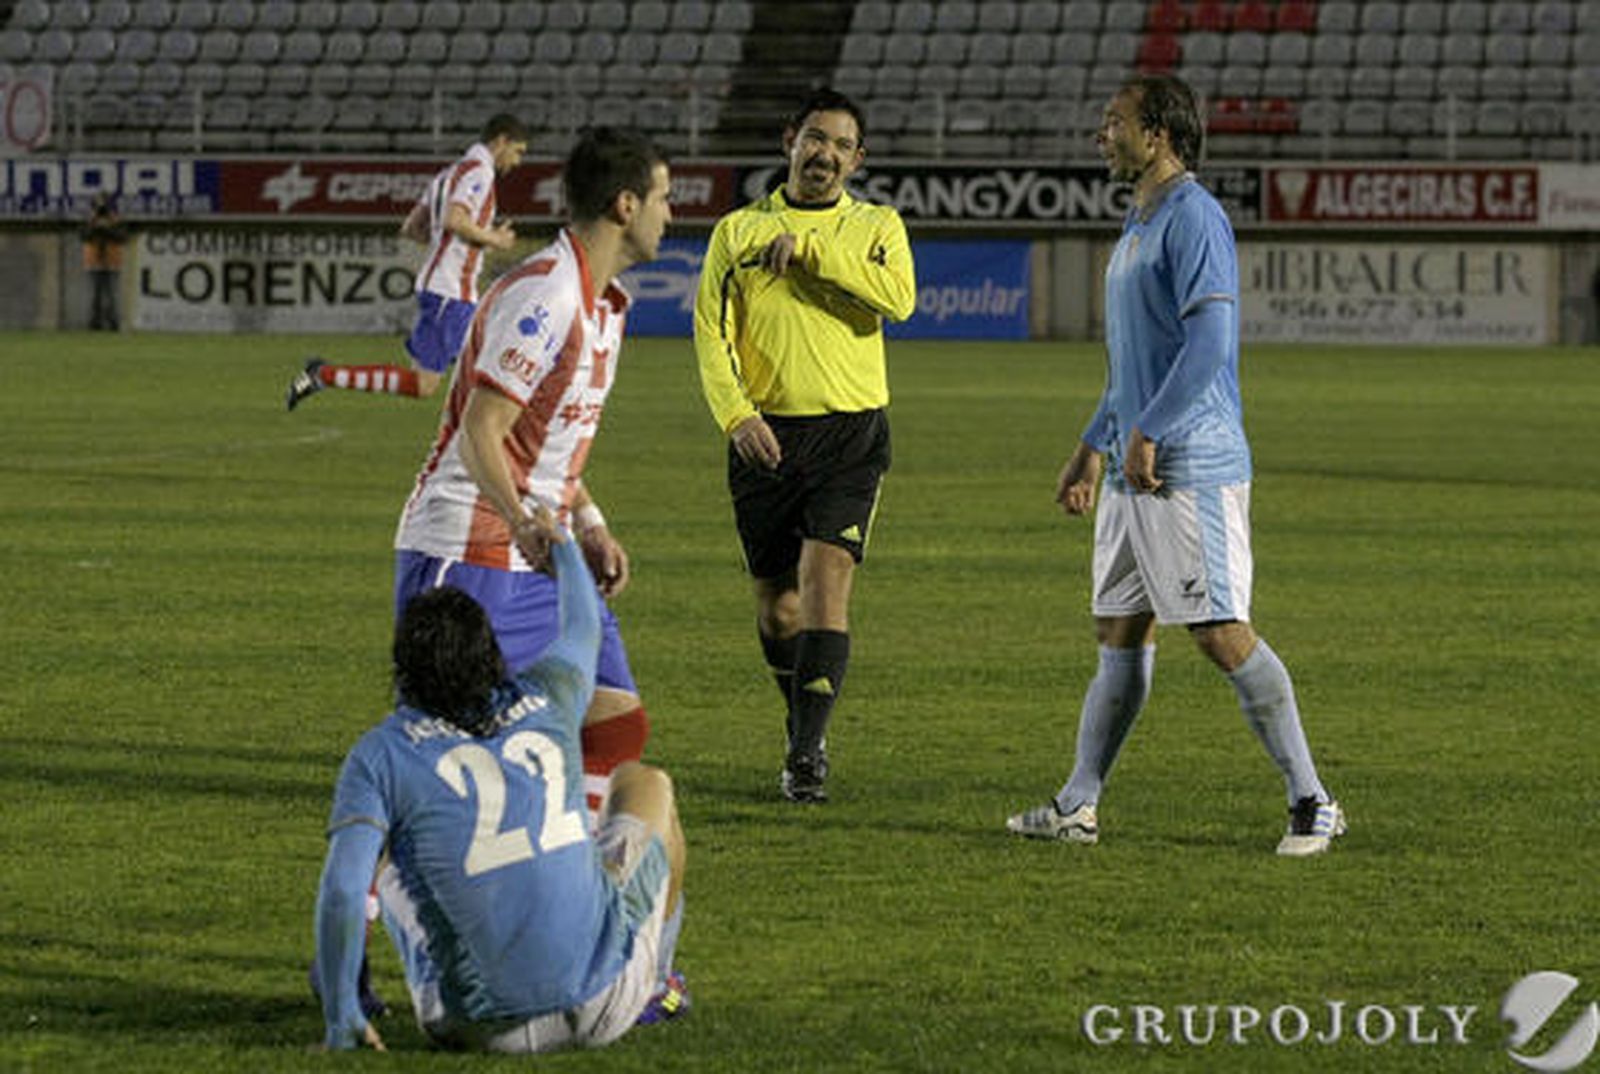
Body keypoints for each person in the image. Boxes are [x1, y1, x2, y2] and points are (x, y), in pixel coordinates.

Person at [1004, 74, 1344, 857]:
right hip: (1133, 468)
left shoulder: (1195, 218)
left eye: (1114, 121)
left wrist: (1149, 432)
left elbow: (1209, 349)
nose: (1102, 133)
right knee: (1119, 631)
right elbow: (1134, 365)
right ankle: (1078, 804)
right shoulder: (1138, 220)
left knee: (1221, 631)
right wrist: (1092, 445)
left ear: (1157, 134)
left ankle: (1312, 799)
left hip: (1188, 464)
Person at [314, 523, 689, 1052]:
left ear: (402, 670)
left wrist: (339, 1020)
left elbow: (343, 891)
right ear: (494, 652)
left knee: (384, 851)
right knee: (645, 782)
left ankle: (354, 994)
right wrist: (561, 547)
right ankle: (654, 986)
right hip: (606, 1004)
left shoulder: (380, 753)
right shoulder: (549, 695)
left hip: (475, 1029)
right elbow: (583, 626)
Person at [393, 126, 672, 820]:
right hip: (469, 545)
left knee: (615, 722)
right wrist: (522, 523)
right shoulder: (544, 295)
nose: (673, 214)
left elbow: (548, 451)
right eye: (664, 198)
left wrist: (592, 525)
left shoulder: (604, 306)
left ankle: (578, 873)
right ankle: (379, 889)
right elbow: (480, 434)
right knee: (442, 753)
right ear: (625, 206)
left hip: (542, 550)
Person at [692, 89, 916, 803]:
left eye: (840, 145)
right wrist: (736, 417)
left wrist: (816, 257)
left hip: (852, 435)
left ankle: (807, 756)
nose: (824, 154)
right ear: (791, 140)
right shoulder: (737, 233)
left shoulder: (878, 226)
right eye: (814, 138)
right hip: (765, 436)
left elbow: (899, 299)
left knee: (826, 586)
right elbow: (709, 331)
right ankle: (802, 724)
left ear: (858, 159)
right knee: (777, 607)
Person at [285, 113, 529, 410]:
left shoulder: (447, 174)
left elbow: (412, 228)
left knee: (492, 364)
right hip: (449, 292)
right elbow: (455, 219)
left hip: (449, 289)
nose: (517, 162)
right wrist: (494, 239)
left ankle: (487, 441)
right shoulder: (480, 172)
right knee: (428, 383)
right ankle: (324, 374)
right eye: (518, 152)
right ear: (501, 141)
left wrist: (456, 242)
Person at [81, 193, 127, 331]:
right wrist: (94, 225)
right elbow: (84, 236)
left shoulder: (116, 220)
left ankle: (114, 323)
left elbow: (122, 237)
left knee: (112, 295)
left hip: (112, 261)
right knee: (94, 296)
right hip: (93, 261)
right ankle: (94, 323)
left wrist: (107, 230)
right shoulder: (89, 220)